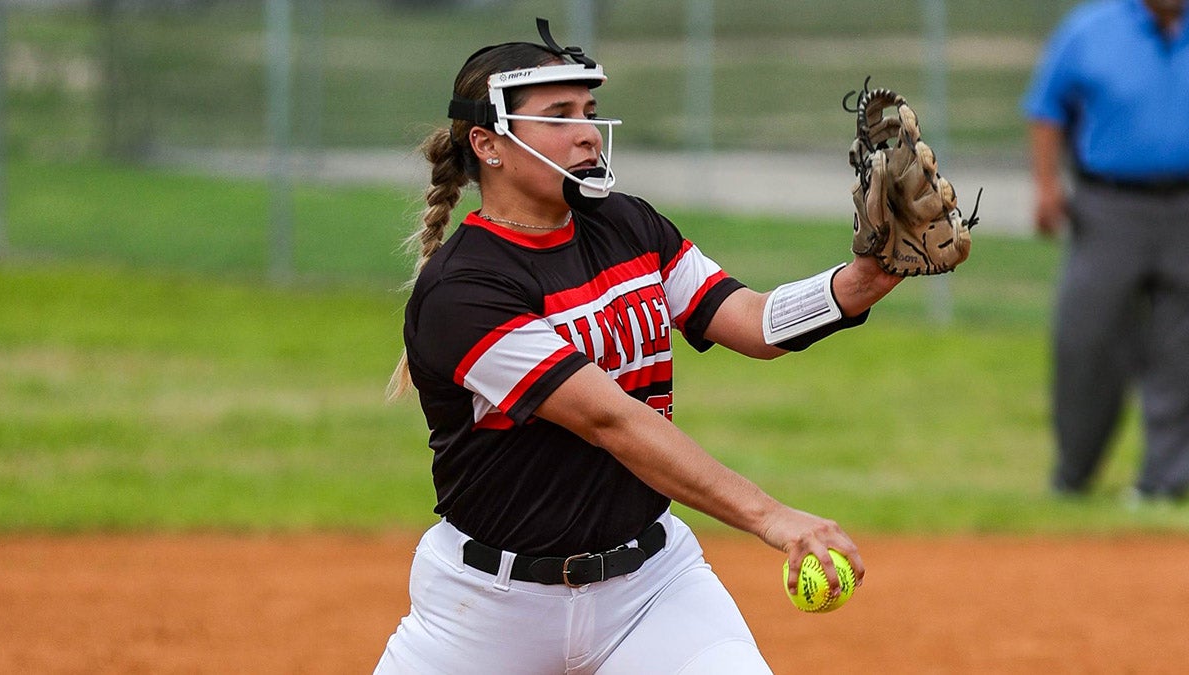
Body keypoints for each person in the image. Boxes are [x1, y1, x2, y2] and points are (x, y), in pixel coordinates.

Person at [374, 19, 904, 673]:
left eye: (589, 112)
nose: (587, 131)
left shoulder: (627, 224)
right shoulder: (465, 289)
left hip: (652, 590)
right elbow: (611, 419)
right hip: (488, 612)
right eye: (558, 115)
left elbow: (752, 319)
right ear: (488, 143)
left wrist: (861, 281)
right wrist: (772, 516)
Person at [1022, 0, 1189, 504]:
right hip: (1108, 204)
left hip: (1184, 208)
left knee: (1180, 347)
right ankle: (1074, 474)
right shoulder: (1090, 29)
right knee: (1087, 340)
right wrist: (1047, 188)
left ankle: (1166, 482)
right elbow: (1045, 110)